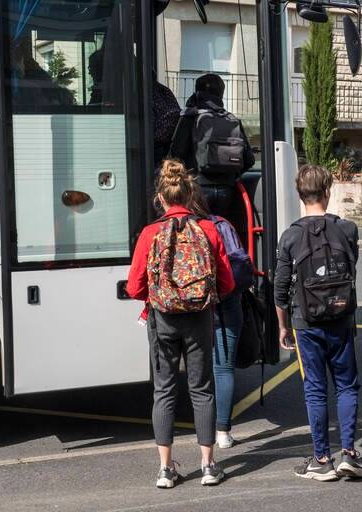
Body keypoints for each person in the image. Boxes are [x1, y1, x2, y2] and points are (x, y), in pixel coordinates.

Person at [126, 160, 235, 489]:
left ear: (161, 197)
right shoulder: (208, 230)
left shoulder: (149, 234)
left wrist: (159, 296)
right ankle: (208, 465)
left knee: (164, 390)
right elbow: (227, 283)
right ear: (190, 195)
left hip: (163, 321)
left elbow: (134, 287)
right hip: (200, 318)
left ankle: (165, 469)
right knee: (202, 389)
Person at [273, 164, 362, 481]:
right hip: (341, 318)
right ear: (328, 192)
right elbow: (351, 270)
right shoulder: (348, 230)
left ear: (300, 195)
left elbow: (280, 289)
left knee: (315, 390)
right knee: (347, 385)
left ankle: (321, 459)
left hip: (306, 321)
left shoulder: (291, 236)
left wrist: (283, 326)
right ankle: (350, 455)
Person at [189, 187, 246, 450]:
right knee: (223, 369)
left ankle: (203, 432)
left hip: (191, 309)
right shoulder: (222, 225)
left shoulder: (180, 229)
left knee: (198, 372)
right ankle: (222, 431)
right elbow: (241, 265)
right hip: (226, 304)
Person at [169, 73, 255, 218]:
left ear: (197, 92)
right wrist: (229, 174)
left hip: (197, 188)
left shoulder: (191, 117)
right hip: (227, 190)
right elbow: (249, 160)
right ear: (221, 94)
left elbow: (176, 153)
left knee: (200, 233)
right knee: (219, 229)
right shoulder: (231, 119)